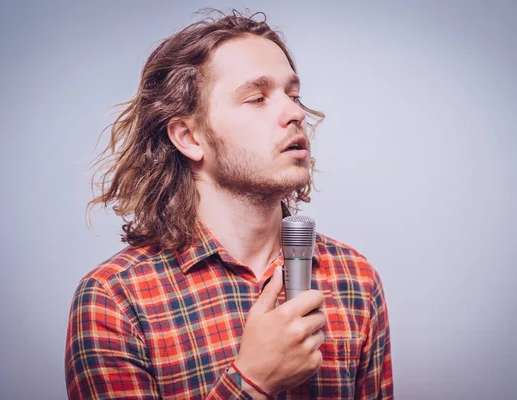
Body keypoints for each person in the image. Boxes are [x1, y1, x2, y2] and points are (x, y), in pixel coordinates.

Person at [65, 9, 393, 400]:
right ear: (189, 137)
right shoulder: (115, 300)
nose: (295, 113)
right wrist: (252, 382)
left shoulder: (355, 278)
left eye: (293, 94)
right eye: (257, 98)